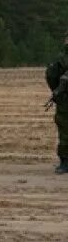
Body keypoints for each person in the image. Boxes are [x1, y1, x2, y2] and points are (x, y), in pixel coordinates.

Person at [46, 28, 68, 174]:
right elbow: (51, 76)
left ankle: (65, 162)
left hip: (64, 100)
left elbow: (51, 77)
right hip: (65, 101)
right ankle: (65, 162)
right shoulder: (61, 60)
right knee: (65, 132)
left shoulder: (61, 59)